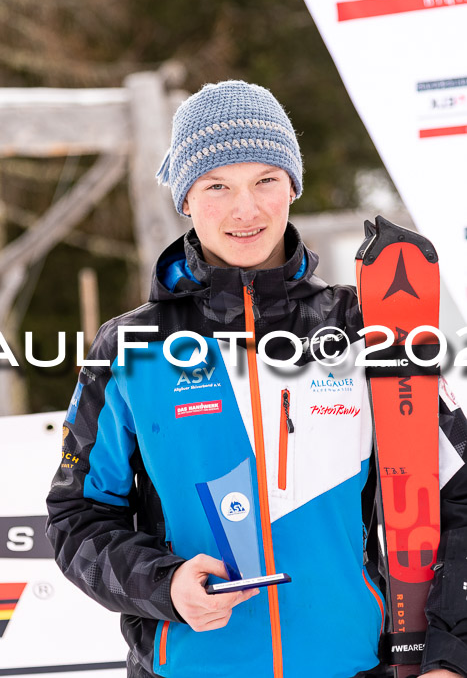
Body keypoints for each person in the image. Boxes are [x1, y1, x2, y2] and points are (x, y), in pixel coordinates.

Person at [46, 80, 467, 678]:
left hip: (353, 668)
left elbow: (460, 497)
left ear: (292, 187)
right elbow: (77, 517)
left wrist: (450, 656)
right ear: (186, 199)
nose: (246, 210)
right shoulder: (132, 349)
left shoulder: (366, 329)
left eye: (266, 181)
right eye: (217, 185)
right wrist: (165, 587)